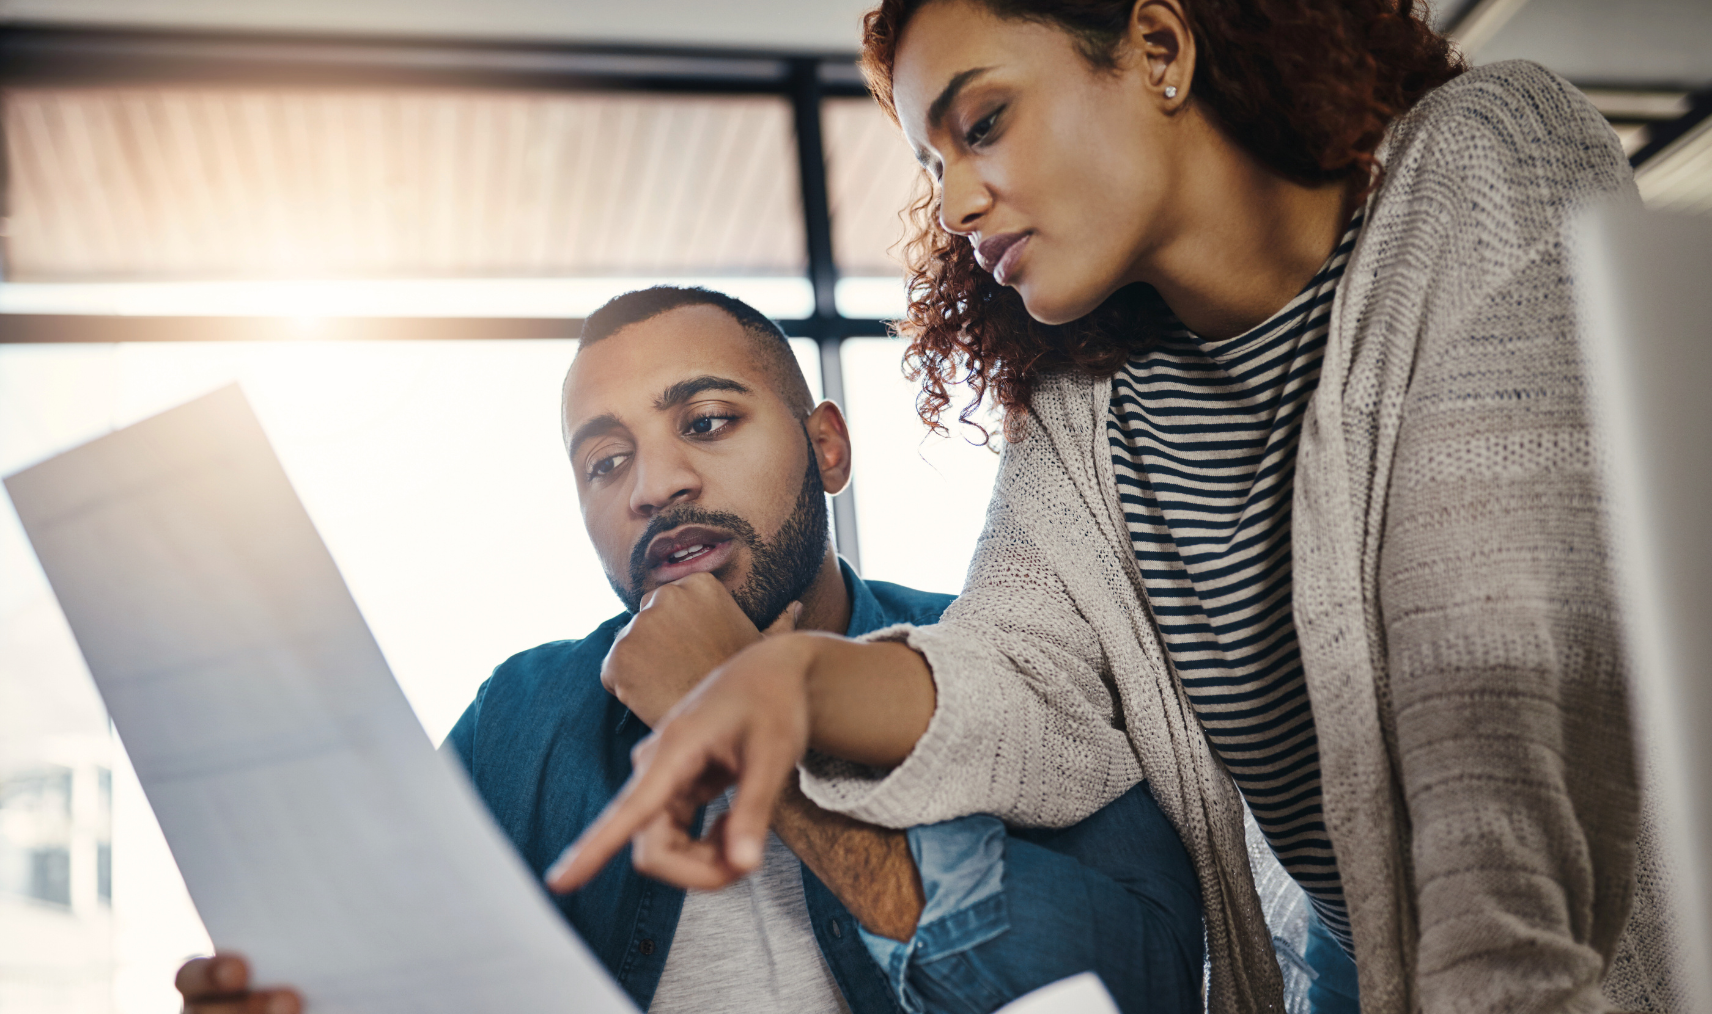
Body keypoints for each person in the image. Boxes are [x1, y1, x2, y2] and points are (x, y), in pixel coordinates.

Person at [548, 4, 1678, 1013]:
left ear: (1159, 47)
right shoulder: (1092, 406)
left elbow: (1498, 694)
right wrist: (791, 678)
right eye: (933, 165)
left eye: (981, 124)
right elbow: (1019, 676)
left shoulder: (1485, 156)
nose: (956, 201)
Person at [173, 286, 1206, 1014]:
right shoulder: (522, 716)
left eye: (706, 423)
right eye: (605, 461)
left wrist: (747, 718)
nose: (651, 486)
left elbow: (1150, 986)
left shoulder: (1007, 655)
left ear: (828, 447)